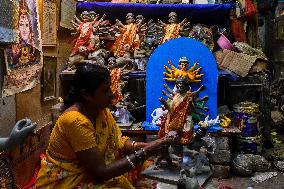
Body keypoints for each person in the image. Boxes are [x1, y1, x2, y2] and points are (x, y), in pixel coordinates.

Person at [36, 63, 176, 188]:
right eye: (105, 90)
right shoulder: (74, 121)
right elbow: (99, 173)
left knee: (148, 165)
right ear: (86, 94)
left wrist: (148, 147)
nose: (112, 94)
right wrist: (146, 152)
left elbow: (117, 142)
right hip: (67, 180)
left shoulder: (101, 111)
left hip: (94, 170)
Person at [11, 0, 40, 67]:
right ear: (17, 27)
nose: (24, 29)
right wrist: (15, 56)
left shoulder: (34, 48)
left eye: (26, 25)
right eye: (21, 25)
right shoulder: (14, 46)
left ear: (30, 28)